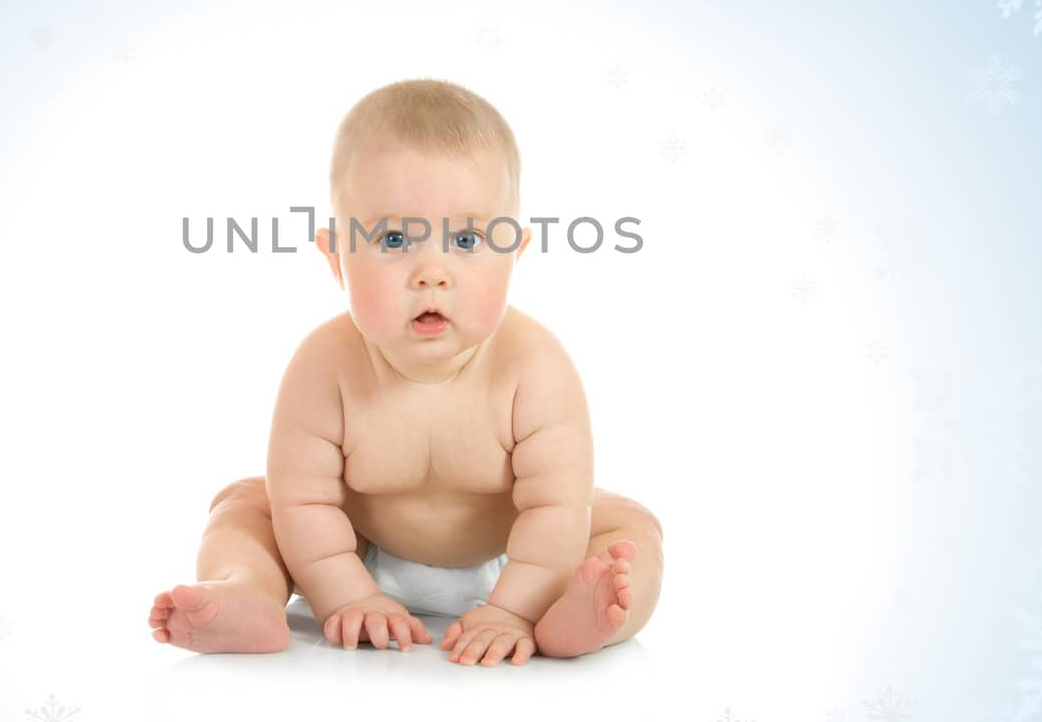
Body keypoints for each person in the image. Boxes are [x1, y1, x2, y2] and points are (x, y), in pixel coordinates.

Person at [150, 78, 663, 667]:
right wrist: (346, 594)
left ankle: (581, 616)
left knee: (629, 529)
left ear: (514, 255)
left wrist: (514, 607)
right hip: (353, 553)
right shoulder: (324, 366)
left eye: (467, 238)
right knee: (246, 504)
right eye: (393, 238)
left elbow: (555, 510)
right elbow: (304, 505)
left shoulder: (534, 367)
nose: (431, 272)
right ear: (335, 258)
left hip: (522, 562)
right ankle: (249, 590)